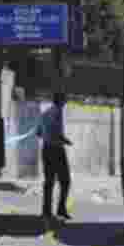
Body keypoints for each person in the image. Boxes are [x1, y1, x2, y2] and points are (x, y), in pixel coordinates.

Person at [36, 92, 73, 222]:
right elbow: (55, 131)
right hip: (56, 150)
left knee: (49, 181)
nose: (65, 102)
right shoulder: (57, 112)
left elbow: (38, 133)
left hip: (46, 149)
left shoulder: (45, 113)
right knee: (65, 181)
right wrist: (64, 140)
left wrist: (48, 136)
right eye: (65, 100)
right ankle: (61, 208)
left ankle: (46, 211)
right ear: (61, 101)